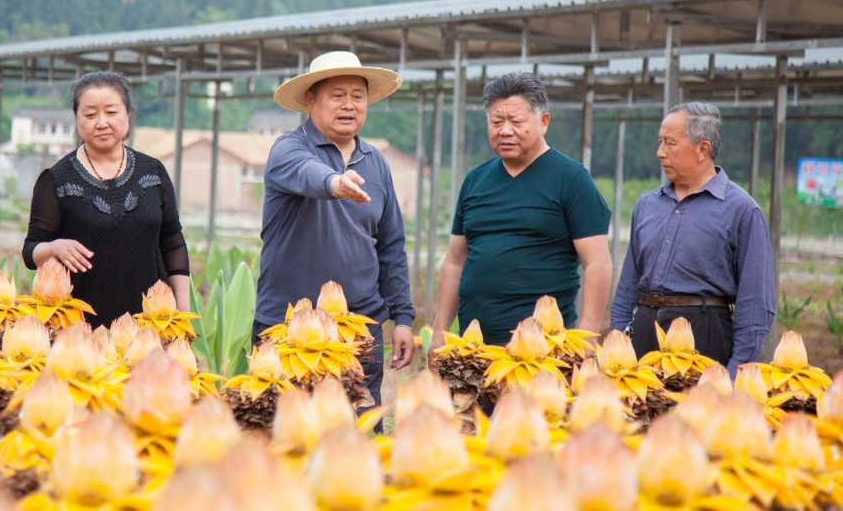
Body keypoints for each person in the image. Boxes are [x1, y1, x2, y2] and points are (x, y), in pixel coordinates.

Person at [253, 51, 417, 407]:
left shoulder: (377, 163)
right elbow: (307, 172)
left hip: (358, 329)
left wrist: (402, 317)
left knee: (356, 439)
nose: (349, 105)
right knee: (285, 437)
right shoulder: (289, 149)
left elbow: (390, 246)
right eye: (337, 95)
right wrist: (335, 183)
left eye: (357, 96)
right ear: (310, 100)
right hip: (291, 328)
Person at [429, 72, 613, 354]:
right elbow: (455, 261)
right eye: (496, 122)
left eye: (516, 121)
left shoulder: (571, 178)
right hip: (474, 346)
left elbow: (597, 263)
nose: (504, 130)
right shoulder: (475, 180)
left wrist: (586, 339)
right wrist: (441, 332)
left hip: (543, 348)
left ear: (543, 122)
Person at [610, 102, 775, 377]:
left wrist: (735, 373)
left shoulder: (742, 210)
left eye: (670, 143)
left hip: (705, 337)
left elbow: (756, 305)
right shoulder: (646, 205)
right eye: (660, 142)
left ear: (702, 149)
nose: (659, 152)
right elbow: (628, 286)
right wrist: (617, 338)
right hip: (644, 334)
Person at [22, 71, 190, 328]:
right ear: (77, 119)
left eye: (111, 112)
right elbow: (31, 251)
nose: (101, 122)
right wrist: (56, 248)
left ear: (128, 115)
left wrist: (182, 314)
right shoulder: (56, 180)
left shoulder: (153, 173)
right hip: (79, 327)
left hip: (151, 324)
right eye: (90, 115)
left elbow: (173, 245)